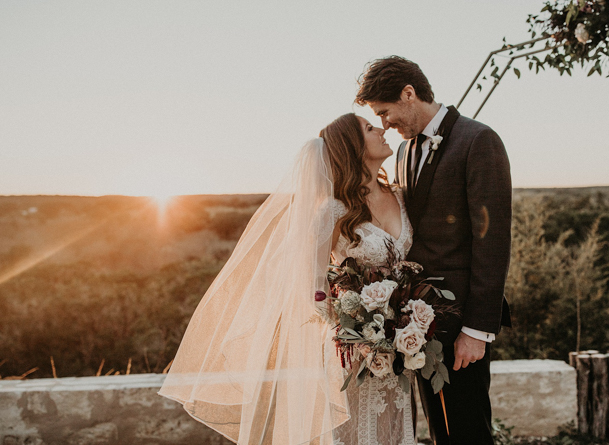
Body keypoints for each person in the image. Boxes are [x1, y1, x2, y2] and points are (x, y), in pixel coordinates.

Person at [159, 112, 417, 445]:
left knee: (399, 430)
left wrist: (412, 319)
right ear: (353, 147)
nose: (382, 129)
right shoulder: (333, 210)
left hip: (404, 345)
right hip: (355, 352)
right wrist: (354, 330)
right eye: (370, 128)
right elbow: (312, 288)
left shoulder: (400, 196)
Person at [355, 56, 512, 445]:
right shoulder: (406, 153)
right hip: (418, 322)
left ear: (409, 94)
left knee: (468, 430)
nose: (385, 124)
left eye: (385, 112)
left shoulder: (479, 140)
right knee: (443, 432)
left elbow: (492, 242)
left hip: (462, 321)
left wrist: (477, 330)